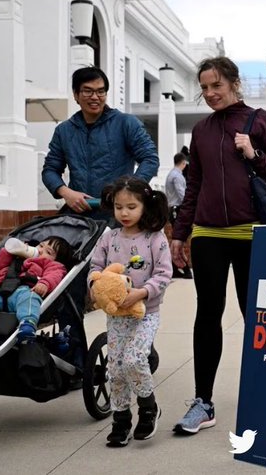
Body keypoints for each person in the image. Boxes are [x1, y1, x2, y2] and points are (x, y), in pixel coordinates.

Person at [169, 56, 266, 435]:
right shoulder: (202, 131)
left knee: (255, 315)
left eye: (216, 86)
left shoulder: (260, 120)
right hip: (208, 233)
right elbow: (194, 186)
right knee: (208, 314)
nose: (209, 94)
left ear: (234, 83)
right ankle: (203, 403)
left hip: (252, 232)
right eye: (204, 88)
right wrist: (179, 233)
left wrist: (253, 152)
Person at [89, 175, 173, 447]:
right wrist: (94, 285)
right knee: (115, 368)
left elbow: (163, 274)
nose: (124, 213)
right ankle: (121, 418)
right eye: (118, 206)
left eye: (131, 207)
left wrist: (143, 291)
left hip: (145, 313)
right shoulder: (108, 238)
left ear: (145, 206)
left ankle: (148, 407)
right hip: (116, 316)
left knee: (136, 358)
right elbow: (95, 267)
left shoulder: (155, 239)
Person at [42, 67, 159, 222]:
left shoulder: (126, 123)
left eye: (100, 91)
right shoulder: (64, 131)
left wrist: (128, 191)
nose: (95, 97)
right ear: (76, 95)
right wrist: (66, 193)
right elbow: (50, 170)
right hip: (78, 218)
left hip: (117, 217)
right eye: (88, 91)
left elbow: (150, 159)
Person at [0, 236, 72, 344]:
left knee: (29, 298)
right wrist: (8, 252)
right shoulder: (17, 259)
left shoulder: (52, 265)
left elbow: (54, 275)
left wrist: (45, 283)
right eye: (41, 246)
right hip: (3, 294)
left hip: (26, 292)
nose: (41, 251)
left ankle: (28, 324)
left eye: (48, 252)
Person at [166, 153, 193, 279]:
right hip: (178, 209)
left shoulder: (171, 174)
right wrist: (190, 206)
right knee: (180, 238)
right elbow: (183, 194)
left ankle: (175, 267)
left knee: (177, 238)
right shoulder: (177, 176)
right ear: (183, 163)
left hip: (173, 209)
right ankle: (185, 267)